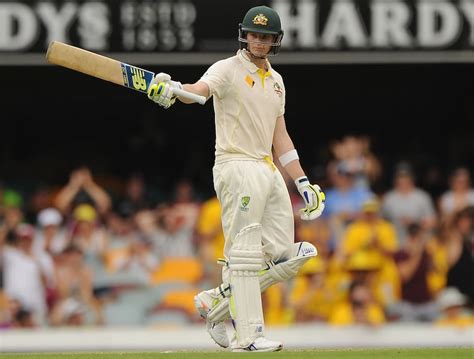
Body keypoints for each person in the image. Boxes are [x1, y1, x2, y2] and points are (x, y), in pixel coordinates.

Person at [147, 5, 325, 352]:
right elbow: (199, 92)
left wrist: (302, 181)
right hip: (235, 164)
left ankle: (215, 304)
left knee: (286, 255)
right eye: (255, 35)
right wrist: (172, 89)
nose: (259, 42)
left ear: (275, 40)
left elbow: (280, 137)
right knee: (243, 253)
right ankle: (249, 336)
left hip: (267, 168)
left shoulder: (277, 82)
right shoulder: (226, 69)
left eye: (266, 37)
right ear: (245, 35)